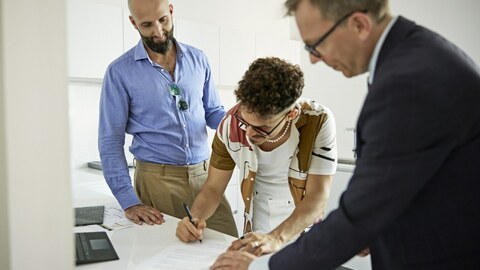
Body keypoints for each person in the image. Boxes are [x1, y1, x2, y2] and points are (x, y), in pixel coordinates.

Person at [210, 0, 480, 269]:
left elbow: (361, 211)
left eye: (316, 45)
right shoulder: (413, 56)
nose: (314, 59)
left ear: (359, 25)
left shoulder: (408, 82)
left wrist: (256, 268)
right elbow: (411, 180)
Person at [98, 0, 238, 237]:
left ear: (171, 11)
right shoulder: (119, 72)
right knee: (173, 255)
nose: (158, 32)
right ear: (133, 23)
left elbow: (212, 112)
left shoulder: (198, 59)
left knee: (229, 245)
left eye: (163, 20)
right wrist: (129, 201)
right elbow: (110, 142)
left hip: (206, 177)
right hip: (157, 181)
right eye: (146, 25)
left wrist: (241, 125)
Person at [176, 57, 338, 255]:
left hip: (302, 226)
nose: (249, 134)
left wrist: (276, 238)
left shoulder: (317, 120)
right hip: (257, 227)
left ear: (291, 115)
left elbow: (318, 195)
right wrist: (195, 218)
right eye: (245, 122)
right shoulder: (230, 124)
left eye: (262, 128)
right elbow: (213, 187)